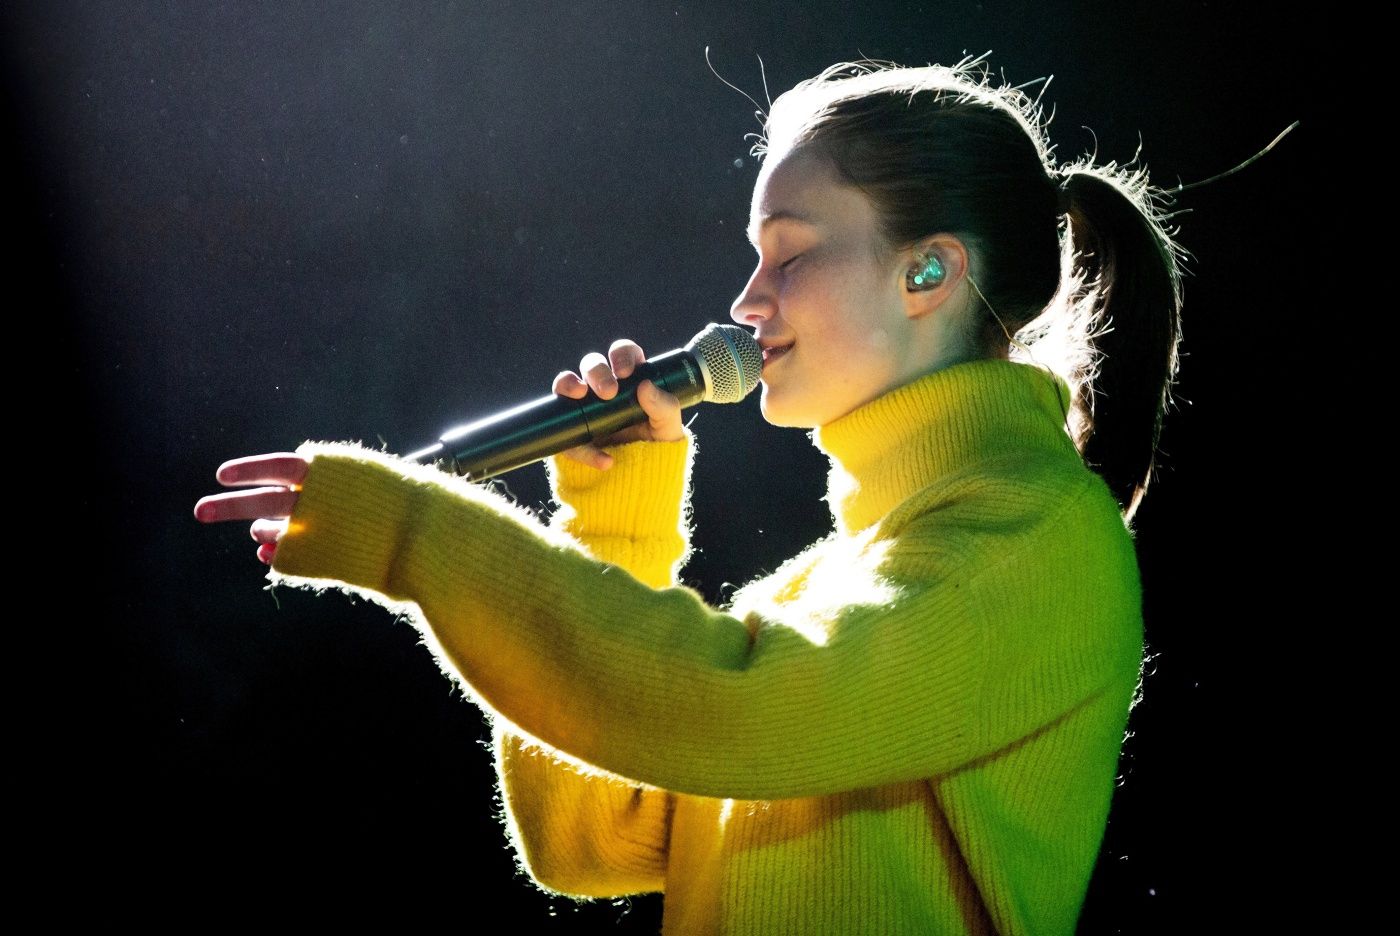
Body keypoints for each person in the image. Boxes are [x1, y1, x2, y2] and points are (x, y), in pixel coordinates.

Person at [196, 55, 1185, 934]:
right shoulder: (831, 582)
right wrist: (614, 520)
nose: (746, 305)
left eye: (787, 255)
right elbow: (586, 837)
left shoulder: (1031, 540)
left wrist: (414, 531)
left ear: (926, 270)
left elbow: (729, 707)